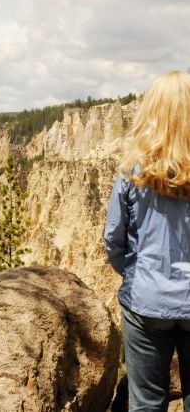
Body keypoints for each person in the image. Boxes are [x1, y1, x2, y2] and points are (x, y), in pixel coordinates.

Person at [104, 70, 190, 412]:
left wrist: (132, 272)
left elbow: (114, 236)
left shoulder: (133, 171)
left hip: (146, 298)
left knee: (145, 404)